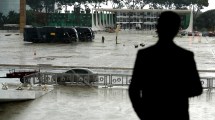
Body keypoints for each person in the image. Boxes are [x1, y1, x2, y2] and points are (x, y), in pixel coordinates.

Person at [129, 11, 203, 120]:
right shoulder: (186, 56)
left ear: (157, 27)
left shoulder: (144, 55)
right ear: (177, 29)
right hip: (178, 114)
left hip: (152, 114)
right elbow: (197, 89)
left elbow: (133, 89)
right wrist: (176, 94)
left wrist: (142, 113)